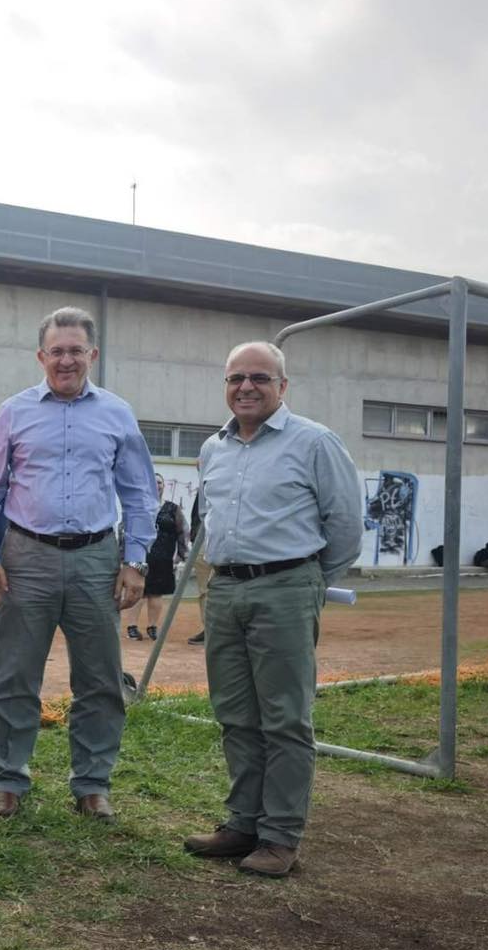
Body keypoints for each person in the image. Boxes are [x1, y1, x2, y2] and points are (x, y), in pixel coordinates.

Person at [0, 306, 156, 822]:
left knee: (99, 679)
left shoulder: (117, 413)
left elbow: (139, 494)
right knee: (14, 675)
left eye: (76, 351)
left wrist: (135, 561)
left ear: (92, 354)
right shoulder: (13, 412)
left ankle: (92, 785)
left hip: (97, 559)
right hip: (25, 558)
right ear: (41, 356)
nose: (66, 360)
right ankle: (8, 780)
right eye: (57, 351)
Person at [185, 341, 361, 878]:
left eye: (259, 378)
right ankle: (243, 823)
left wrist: (305, 582)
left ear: (282, 386)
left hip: (285, 587)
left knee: (284, 719)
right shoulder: (213, 449)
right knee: (235, 714)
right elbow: (209, 520)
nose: (246, 387)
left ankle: (280, 835)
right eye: (235, 378)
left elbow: (345, 527)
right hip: (225, 590)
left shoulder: (314, 442)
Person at [125, 474, 189, 641]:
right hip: (140, 557)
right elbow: (125, 529)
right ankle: (132, 627)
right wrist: (124, 555)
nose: (157, 485)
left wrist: (182, 555)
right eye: (153, 482)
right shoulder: (138, 506)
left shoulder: (173, 509)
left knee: (156, 594)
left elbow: (183, 532)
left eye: (159, 482)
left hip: (163, 559)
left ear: (163, 486)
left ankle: (152, 627)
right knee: (138, 592)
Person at [187, 488, 210, 645]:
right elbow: (196, 513)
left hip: (227, 541)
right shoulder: (204, 485)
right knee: (204, 590)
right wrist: (195, 537)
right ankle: (208, 629)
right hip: (203, 540)